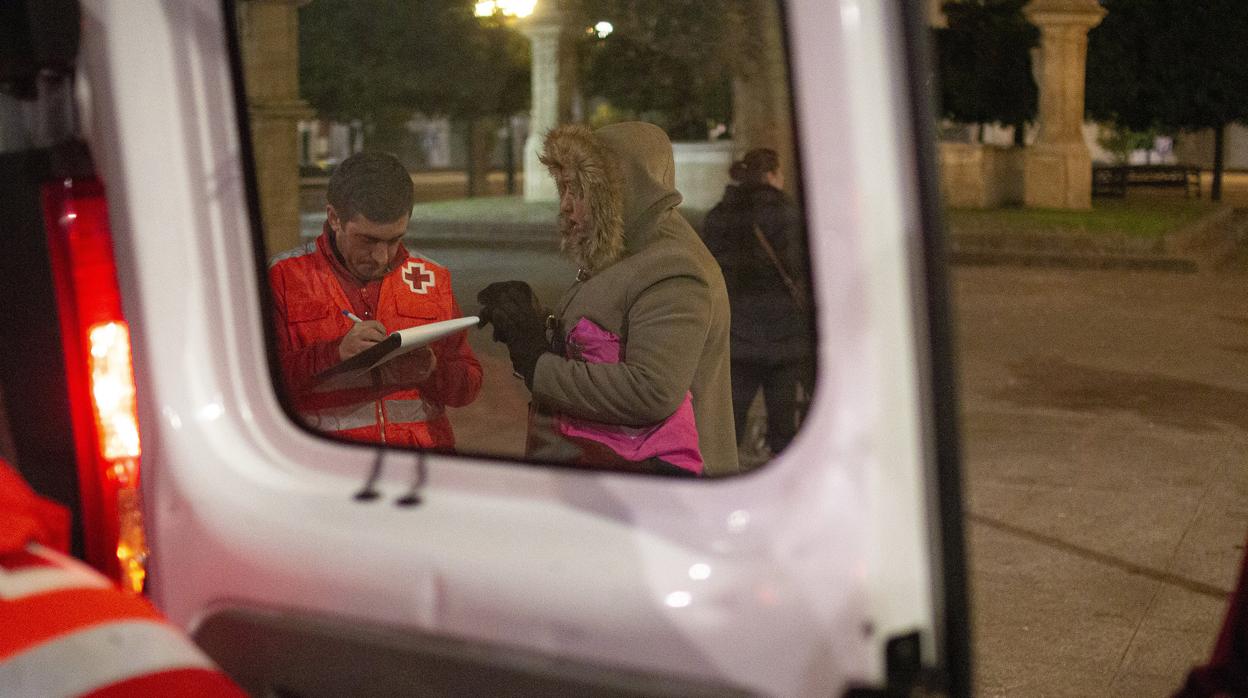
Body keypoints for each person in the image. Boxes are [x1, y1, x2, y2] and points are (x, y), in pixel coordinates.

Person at [478, 122, 738, 477]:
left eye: (578, 190)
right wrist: (531, 320)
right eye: (563, 188)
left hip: (661, 484)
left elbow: (651, 390)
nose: (565, 205)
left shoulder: (672, 266)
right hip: (616, 471)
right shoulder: (625, 250)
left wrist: (537, 363)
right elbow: (603, 337)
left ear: (621, 191)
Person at [268, 152, 481, 449]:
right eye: (367, 240)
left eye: (394, 240)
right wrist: (334, 354)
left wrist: (434, 369)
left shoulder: (431, 278)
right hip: (326, 464)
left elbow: (468, 386)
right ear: (334, 218)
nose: (381, 257)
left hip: (422, 464)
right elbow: (257, 386)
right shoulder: (283, 277)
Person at [701, 147, 812, 458]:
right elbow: (801, 269)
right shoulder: (790, 215)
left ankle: (726, 476)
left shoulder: (721, 214)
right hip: (784, 339)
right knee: (783, 428)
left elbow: (709, 269)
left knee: (728, 423)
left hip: (737, 336)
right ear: (773, 175)